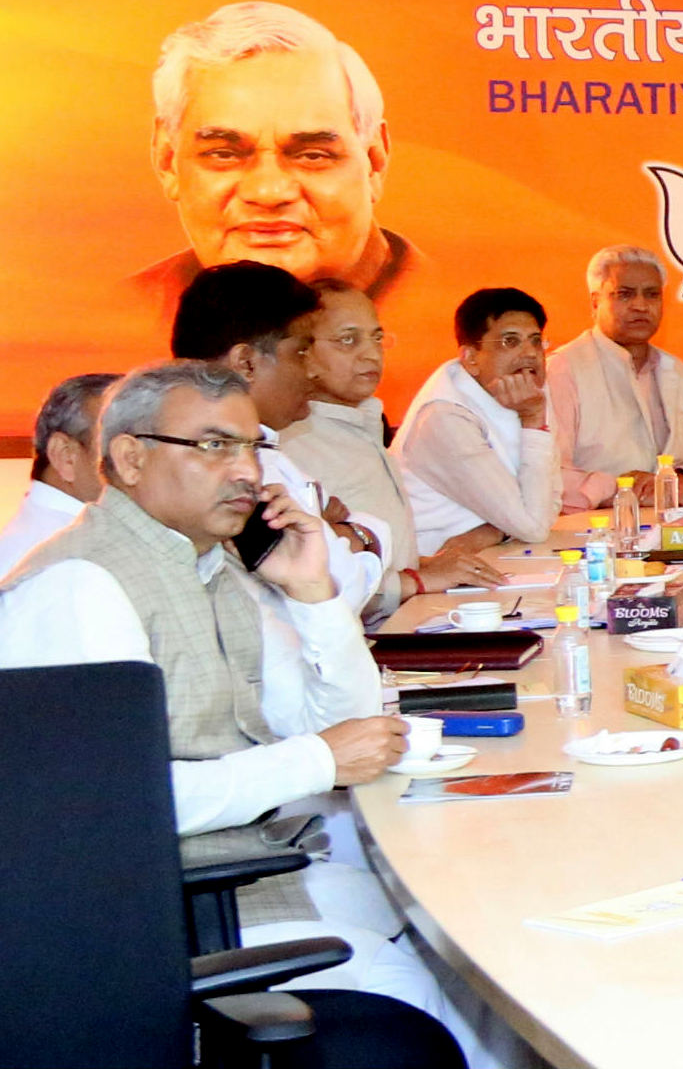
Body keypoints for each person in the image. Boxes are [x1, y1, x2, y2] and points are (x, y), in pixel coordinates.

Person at [0, 361, 487, 1054]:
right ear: (131, 458)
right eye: (213, 446)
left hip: (246, 875)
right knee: (428, 1011)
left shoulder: (213, 567)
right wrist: (319, 759)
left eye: (252, 447)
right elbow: (114, 812)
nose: (248, 473)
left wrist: (313, 592)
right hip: (164, 919)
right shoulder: (79, 585)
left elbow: (342, 730)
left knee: (474, 933)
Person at [131, 2, 419, 311]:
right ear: (167, 160)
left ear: (374, 162)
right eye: (224, 155)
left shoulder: (440, 306)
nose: (268, 193)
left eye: (312, 156)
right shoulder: (122, 316)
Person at [170, 261, 387, 614]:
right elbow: (331, 591)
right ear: (246, 363)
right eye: (302, 352)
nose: (313, 371)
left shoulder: (265, 452)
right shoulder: (234, 470)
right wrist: (365, 536)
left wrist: (348, 537)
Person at [279, 282, 502, 619]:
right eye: (348, 340)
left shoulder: (361, 423)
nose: (371, 354)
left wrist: (422, 565)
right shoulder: (292, 444)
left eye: (377, 338)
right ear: (302, 352)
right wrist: (414, 579)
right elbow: (311, 581)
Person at [547, 246, 683, 510]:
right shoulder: (562, 370)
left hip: (672, 533)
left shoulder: (674, 371)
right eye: (624, 294)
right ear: (595, 303)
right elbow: (547, 474)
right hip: (591, 536)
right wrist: (623, 489)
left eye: (651, 295)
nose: (641, 305)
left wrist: (675, 481)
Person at [393, 288, 563, 553]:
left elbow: (551, 501)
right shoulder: (443, 418)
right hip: (433, 568)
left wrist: (495, 529)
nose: (530, 353)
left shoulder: (530, 393)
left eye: (535, 340)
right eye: (510, 341)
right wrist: (532, 421)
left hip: (498, 553)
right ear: (470, 358)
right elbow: (534, 526)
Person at [0, 373, 120, 576]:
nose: (140, 462)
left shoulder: (34, 542)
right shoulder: (75, 560)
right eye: (120, 446)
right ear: (65, 456)